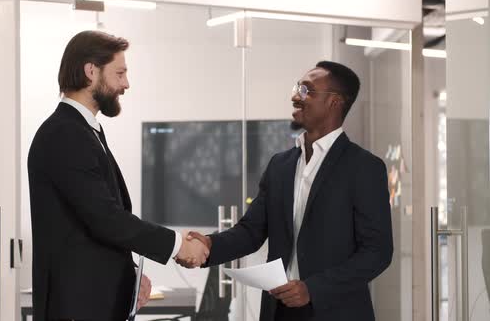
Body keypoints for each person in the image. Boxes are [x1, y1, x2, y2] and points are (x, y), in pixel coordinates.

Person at [185, 61, 393, 321]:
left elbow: (378, 251)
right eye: (297, 88)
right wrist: (209, 245)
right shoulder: (280, 165)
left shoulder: (364, 167)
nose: (295, 97)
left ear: (334, 102)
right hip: (278, 311)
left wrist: (313, 289)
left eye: (307, 90)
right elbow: (251, 231)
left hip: (335, 311)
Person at [27, 30, 209, 321]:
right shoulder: (64, 133)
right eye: (120, 73)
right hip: (77, 309)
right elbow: (106, 218)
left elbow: (91, 224)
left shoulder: (85, 131)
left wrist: (130, 274)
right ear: (90, 72)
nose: (126, 84)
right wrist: (177, 245)